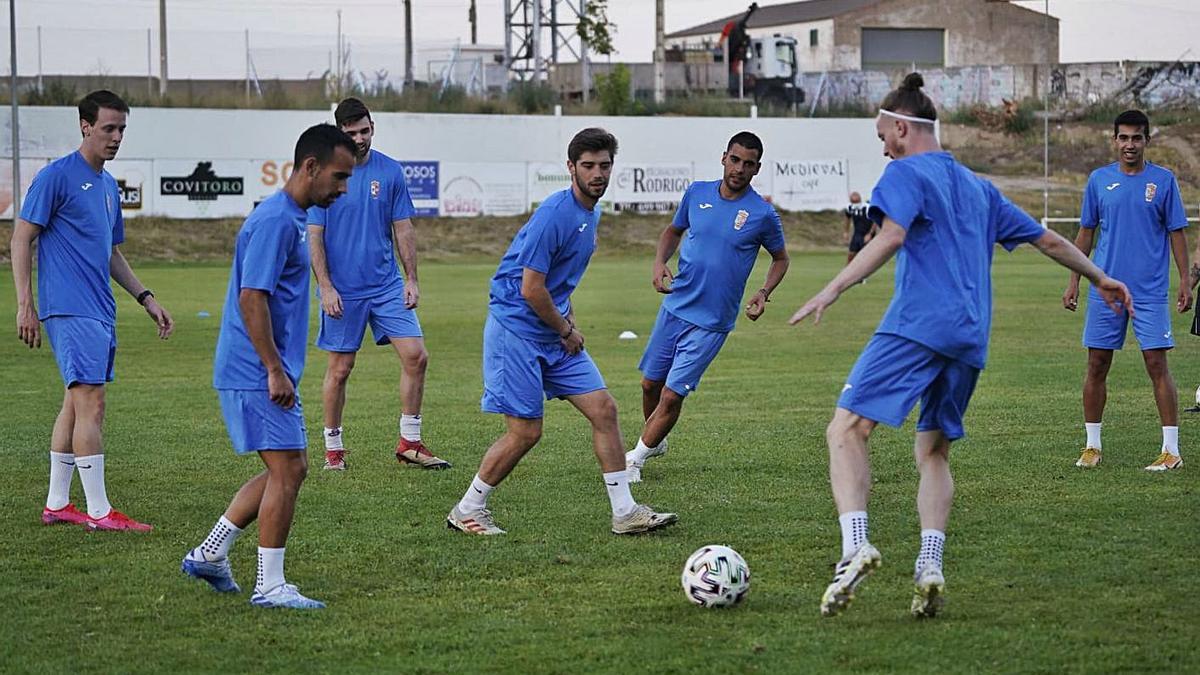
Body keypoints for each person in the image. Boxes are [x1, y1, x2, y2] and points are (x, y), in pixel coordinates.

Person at [789, 73, 1133, 619]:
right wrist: (1101, 277)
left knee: (847, 429)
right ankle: (930, 564)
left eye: (883, 135)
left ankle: (855, 546)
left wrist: (832, 287)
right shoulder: (977, 186)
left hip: (919, 324)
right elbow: (1047, 238)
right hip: (972, 337)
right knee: (933, 451)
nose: (882, 146)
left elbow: (892, 235)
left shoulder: (903, 172)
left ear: (901, 128)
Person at [446, 128, 677, 536]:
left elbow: (557, 283)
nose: (597, 174)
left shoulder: (591, 213)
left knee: (604, 410)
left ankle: (624, 512)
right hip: (516, 330)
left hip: (553, 329)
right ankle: (467, 508)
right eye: (588, 166)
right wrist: (566, 329)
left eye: (604, 166)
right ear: (570, 168)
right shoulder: (555, 213)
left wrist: (567, 322)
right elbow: (530, 288)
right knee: (525, 432)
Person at [181, 124, 355, 609]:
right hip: (256, 371)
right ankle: (270, 586)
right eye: (339, 178)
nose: (343, 190)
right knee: (288, 471)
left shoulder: (291, 218)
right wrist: (274, 370)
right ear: (310, 167)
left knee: (290, 468)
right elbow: (250, 298)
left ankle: (210, 553)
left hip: (264, 368)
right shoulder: (277, 221)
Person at [12, 90, 174, 532]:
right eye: (108, 128)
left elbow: (110, 253)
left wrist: (145, 297)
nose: (117, 137)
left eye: (122, 128)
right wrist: (25, 304)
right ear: (85, 126)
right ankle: (100, 512)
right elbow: (21, 238)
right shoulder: (56, 177)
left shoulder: (106, 185)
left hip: (99, 309)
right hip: (68, 308)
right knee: (92, 403)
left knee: (74, 403)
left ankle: (58, 503)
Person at [625, 131, 789, 483]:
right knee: (649, 386)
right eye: (735, 159)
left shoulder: (762, 214)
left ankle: (635, 459)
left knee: (672, 394)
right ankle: (654, 439)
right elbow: (673, 231)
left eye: (748, 163)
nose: (739, 169)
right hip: (675, 306)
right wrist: (659, 262)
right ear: (724, 158)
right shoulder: (697, 192)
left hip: (712, 321)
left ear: (756, 168)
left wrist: (763, 292)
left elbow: (780, 259)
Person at [307, 97, 449, 472]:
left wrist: (412, 279)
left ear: (373, 127)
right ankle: (333, 450)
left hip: (385, 286)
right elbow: (315, 236)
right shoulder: (324, 175)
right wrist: (326, 287)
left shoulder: (390, 172)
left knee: (417, 356)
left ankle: (410, 442)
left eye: (364, 131)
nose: (359, 139)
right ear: (338, 132)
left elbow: (403, 228)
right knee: (340, 369)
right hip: (343, 289)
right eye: (351, 133)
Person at [1063, 109, 1191, 470]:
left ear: (1147, 140)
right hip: (1106, 291)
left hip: (1149, 291)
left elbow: (1176, 233)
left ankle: (1171, 451)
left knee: (1156, 363)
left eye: (1137, 137)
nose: (1130, 144)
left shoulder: (1163, 181)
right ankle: (1092, 446)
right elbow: (1086, 232)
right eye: (1123, 137)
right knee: (1097, 364)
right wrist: (1074, 278)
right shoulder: (1098, 180)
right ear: (1114, 140)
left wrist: (1184, 279)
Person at [843, 191, 876, 264]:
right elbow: (847, 218)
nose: (855, 204)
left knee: (865, 257)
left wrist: (870, 234)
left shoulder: (867, 206)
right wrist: (846, 232)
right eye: (853, 202)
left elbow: (875, 221)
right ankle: (847, 273)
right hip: (857, 234)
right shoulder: (850, 207)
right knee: (851, 254)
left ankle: (865, 274)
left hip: (867, 233)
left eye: (856, 202)